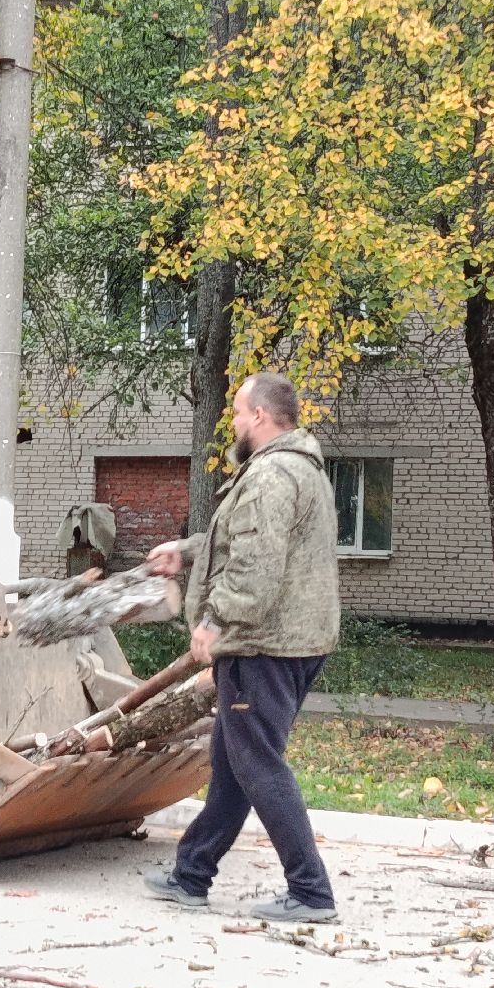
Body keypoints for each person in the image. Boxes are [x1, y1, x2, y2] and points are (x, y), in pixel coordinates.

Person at [142, 372, 341, 923]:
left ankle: (311, 892)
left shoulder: (273, 476)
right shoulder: (295, 470)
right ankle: (192, 873)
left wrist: (214, 620)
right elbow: (248, 541)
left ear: (260, 416)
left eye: (236, 412)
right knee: (233, 764)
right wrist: (185, 551)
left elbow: (255, 567)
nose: (231, 422)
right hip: (287, 640)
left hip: (264, 646)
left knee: (257, 763)